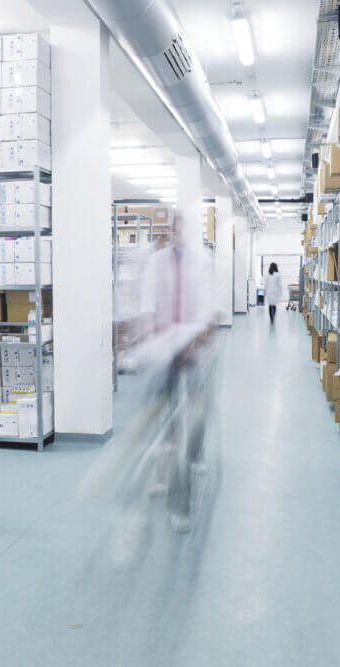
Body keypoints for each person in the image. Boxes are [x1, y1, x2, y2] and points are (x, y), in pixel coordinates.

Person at [136, 211, 219, 533]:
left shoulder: (202, 261)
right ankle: (165, 476)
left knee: (192, 420)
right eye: (170, 226)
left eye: (179, 225)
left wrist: (194, 338)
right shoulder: (156, 262)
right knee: (167, 420)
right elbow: (147, 303)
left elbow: (207, 306)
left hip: (193, 351)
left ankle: (181, 505)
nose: (174, 231)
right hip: (164, 352)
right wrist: (147, 334)